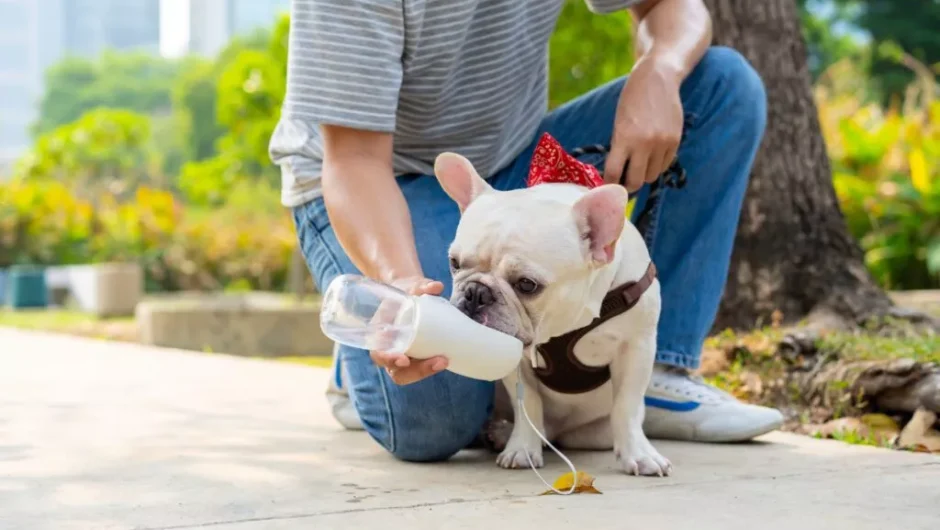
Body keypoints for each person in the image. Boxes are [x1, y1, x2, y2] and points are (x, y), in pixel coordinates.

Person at [270, 0, 784, 462]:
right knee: (434, 422)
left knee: (720, 85)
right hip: (374, 178)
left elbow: (671, 7)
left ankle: (658, 372)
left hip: (514, 162)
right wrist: (403, 286)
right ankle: (358, 356)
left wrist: (659, 69)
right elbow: (355, 160)